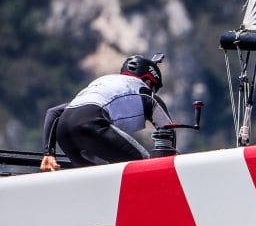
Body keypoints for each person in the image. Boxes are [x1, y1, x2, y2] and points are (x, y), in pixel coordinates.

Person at [40, 54, 173, 170]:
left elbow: (53, 113)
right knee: (144, 166)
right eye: (154, 88)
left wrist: (49, 153)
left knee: (102, 178)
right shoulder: (143, 90)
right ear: (149, 81)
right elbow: (167, 129)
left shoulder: (106, 83)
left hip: (64, 134)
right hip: (91, 123)